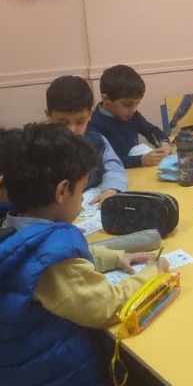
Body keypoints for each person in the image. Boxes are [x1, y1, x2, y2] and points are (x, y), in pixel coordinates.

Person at [0, 123, 169, 385]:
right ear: (62, 191)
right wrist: (153, 274)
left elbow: (64, 257)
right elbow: (106, 306)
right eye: (80, 191)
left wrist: (116, 257)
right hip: (58, 374)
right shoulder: (51, 261)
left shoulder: (14, 226)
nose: (81, 201)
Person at [46, 75, 127, 205]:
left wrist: (111, 189)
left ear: (90, 115)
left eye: (80, 122)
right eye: (63, 123)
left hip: (92, 204)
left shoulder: (98, 141)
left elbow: (114, 167)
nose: (72, 130)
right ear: (49, 116)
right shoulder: (41, 146)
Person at [88, 64, 171, 168]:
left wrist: (164, 143)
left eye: (137, 103)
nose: (133, 109)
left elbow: (151, 130)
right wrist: (140, 160)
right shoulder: (94, 124)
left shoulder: (132, 115)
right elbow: (103, 161)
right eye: (127, 105)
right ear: (106, 99)